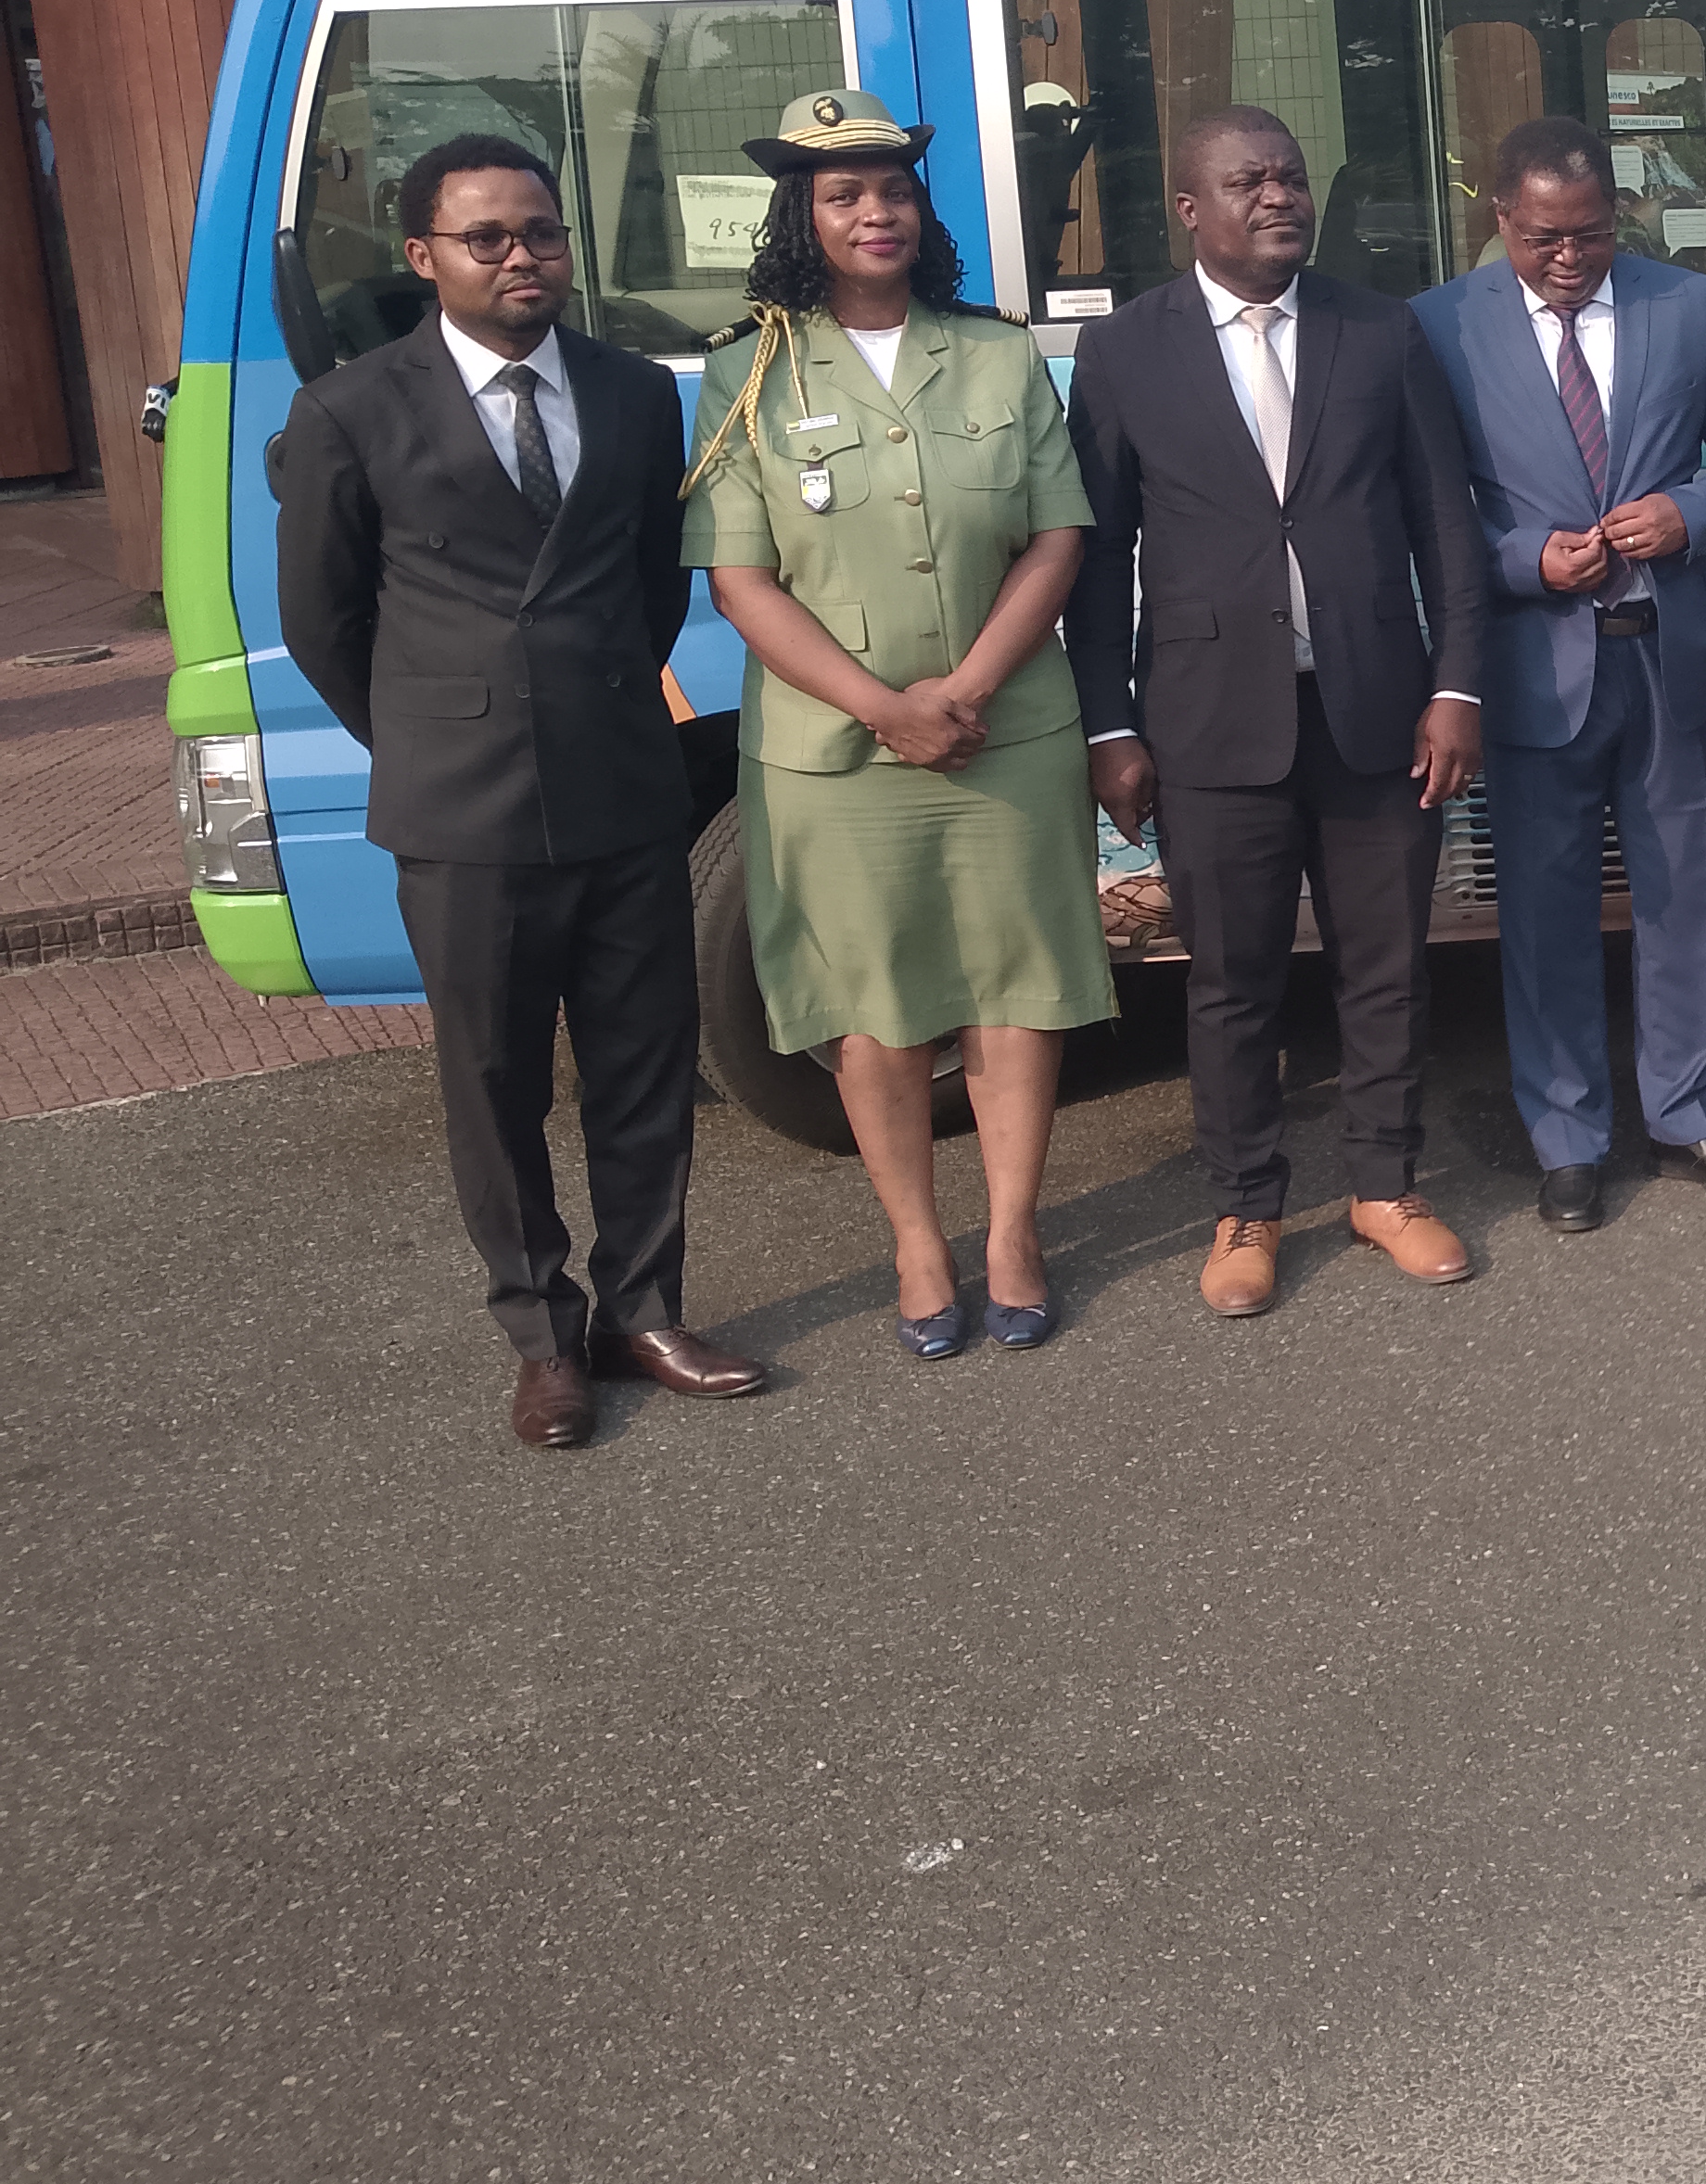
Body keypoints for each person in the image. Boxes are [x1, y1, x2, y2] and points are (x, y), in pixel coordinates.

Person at [273, 133, 764, 1447]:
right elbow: (323, 619)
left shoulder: (633, 394)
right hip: (460, 807)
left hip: (622, 786)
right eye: (485, 237)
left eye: (540, 232)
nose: (520, 257)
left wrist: (591, 700)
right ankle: (544, 1340)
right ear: (424, 255)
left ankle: (643, 1311)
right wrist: (433, 734)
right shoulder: (350, 411)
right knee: (494, 1086)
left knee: (644, 1070)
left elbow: (652, 582)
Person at [681, 91, 1112, 1357]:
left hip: (1005, 730)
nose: (877, 212)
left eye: (894, 190)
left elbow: (1058, 536)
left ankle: (1013, 1232)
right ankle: (918, 1244)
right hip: (835, 754)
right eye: (844, 194)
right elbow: (740, 579)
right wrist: (885, 708)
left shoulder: (995, 355)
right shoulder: (746, 373)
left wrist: (964, 690)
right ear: (800, 220)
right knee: (868, 1003)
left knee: (1015, 988)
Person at [1064, 107, 1490, 1300]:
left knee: (1386, 967)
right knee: (1231, 981)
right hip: (1206, 721)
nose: (1278, 197)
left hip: (1375, 711)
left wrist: (1456, 684)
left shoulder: (1380, 329)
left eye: (1291, 178)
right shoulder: (1124, 351)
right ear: (1189, 209)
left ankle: (1384, 1187)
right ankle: (1245, 1208)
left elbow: (1444, 525)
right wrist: (1109, 724)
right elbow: (1095, 558)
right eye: (1247, 181)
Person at [1418, 115, 1706, 1231]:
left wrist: (1689, 512)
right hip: (1535, 666)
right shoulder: (1439, 326)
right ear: (1499, 219)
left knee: (1683, 901)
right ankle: (1567, 1137)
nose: (1569, 258)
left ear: (1614, 217)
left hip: (1662, 658)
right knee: (1544, 911)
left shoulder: (1684, 306)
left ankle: (1688, 1113)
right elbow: (1429, 507)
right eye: (1543, 239)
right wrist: (1521, 559)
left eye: (1589, 234)